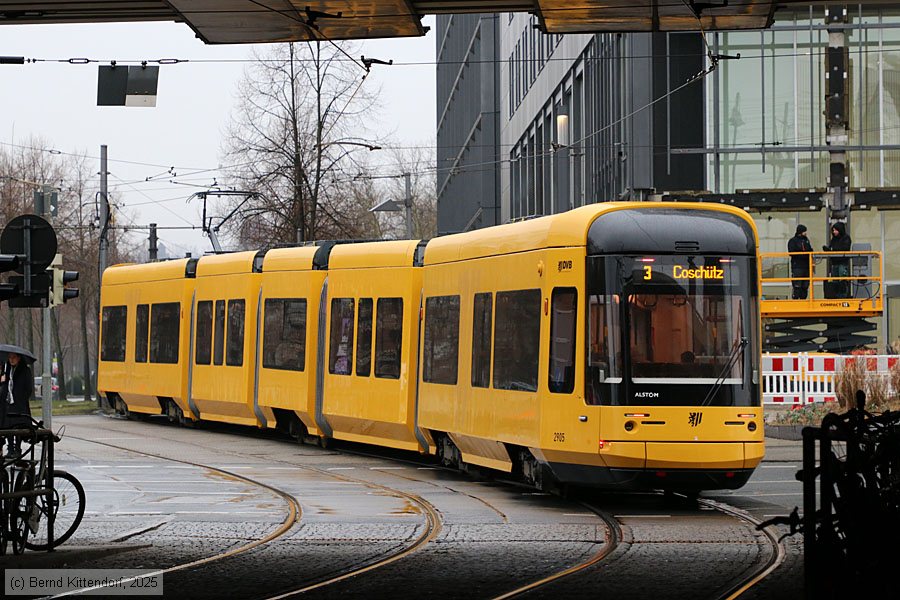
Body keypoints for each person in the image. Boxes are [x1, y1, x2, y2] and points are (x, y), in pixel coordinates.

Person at [0, 352, 33, 459]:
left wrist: (21, 398)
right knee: (7, 426)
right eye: (10, 358)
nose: (11, 360)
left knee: (18, 426)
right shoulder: (7, 370)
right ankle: (10, 448)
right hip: (7, 403)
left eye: (13, 358)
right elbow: (4, 386)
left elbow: (28, 388)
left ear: (19, 358)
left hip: (19, 404)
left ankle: (17, 449)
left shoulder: (25, 370)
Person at [823, 222, 853, 298]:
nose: (834, 232)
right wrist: (828, 250)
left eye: (835, 230)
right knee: (835, 281)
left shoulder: (846, 238)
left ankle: (843, 296)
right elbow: (832, 248)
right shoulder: (834, 239)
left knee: (842, 280)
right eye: (833, 230)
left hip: (842, 262)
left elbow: (845, 248)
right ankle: (835, 295)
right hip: (834, 263)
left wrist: (832, 250)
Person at [787, 224, 814, 299]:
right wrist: (803, 254)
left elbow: (809, 250)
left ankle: (804, 300)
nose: (806, 233)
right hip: (797, 267)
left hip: (806, 266)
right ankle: (796, 300)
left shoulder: (806, 240)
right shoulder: (793, 241)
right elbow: (792, 252)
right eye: (804, 231)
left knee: (805, 286)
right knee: (797, 286)